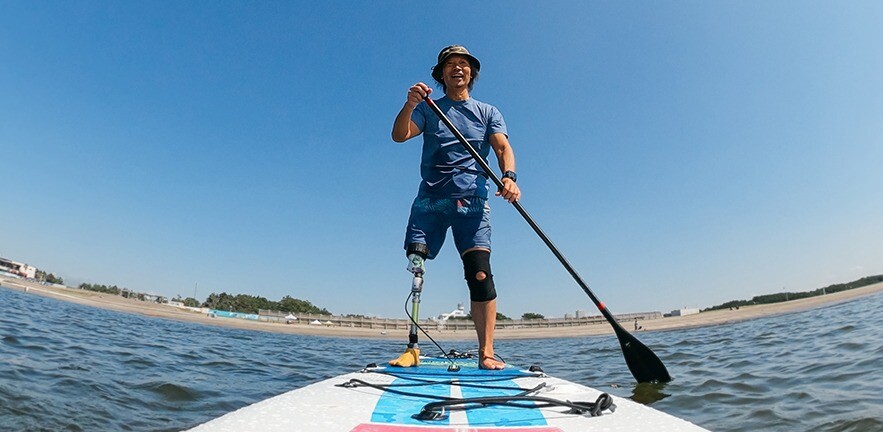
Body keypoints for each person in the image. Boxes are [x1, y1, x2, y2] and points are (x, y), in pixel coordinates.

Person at [389, 45, 520, 370]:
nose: (457, 68)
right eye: (450, 65)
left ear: (471, 73)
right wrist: (410, 104)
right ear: (441, 74)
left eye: (463, 64)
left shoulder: (488, 112)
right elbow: (400, 135)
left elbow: (503, 147)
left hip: (472, 204)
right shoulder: (428, 108)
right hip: (430, 201)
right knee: (416, 267)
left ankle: (486, 352)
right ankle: (413, 347)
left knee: (479, 275)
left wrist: (509, 177)